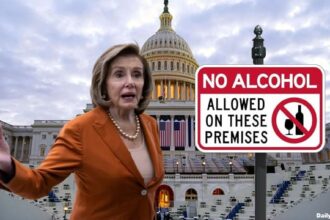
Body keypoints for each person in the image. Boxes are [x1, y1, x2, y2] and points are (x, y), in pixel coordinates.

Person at [0, 43, 165, 219]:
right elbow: (38, 184)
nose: (130, 82)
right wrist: (7, 165)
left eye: (137, 74)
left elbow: (143, 191)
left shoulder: (149, 124)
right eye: (119, 74)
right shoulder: (80, 129)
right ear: (103, 85)